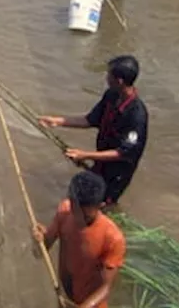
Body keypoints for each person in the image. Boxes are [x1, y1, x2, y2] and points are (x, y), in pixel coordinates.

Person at [38, 55, 149, 206]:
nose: (106, 77)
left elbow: (123, 153)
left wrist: (85, 155)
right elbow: (89, 120)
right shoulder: (111, 95)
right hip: (100, 164)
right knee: (84, 201)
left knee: (101, 205)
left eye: (109, 74)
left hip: (116, 174)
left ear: (119, 81)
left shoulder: (137, 115)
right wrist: (57, 121)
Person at [32, 170, 126, 308]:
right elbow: (40, 253)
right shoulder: (64, 211)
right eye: (75, 211)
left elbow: (105, 288)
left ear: (100, 206)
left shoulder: (113, 239)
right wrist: (38, 240)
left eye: (86, 217)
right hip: (63, 296)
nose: (78, 219)